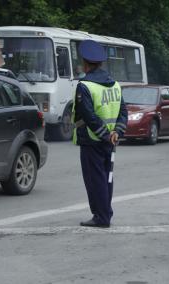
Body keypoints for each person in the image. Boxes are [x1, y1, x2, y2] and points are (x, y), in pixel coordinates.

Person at [72, 40, 128, 228]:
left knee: (95, 180)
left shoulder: (85, 86)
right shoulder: (115, 85)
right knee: (107, 178)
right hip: (110, 140)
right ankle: (106, 213)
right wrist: (116, 133)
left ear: (86, 64)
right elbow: (123, 113)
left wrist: (105, 134)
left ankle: (101, 217)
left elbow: (89, 116)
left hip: (92, 140)